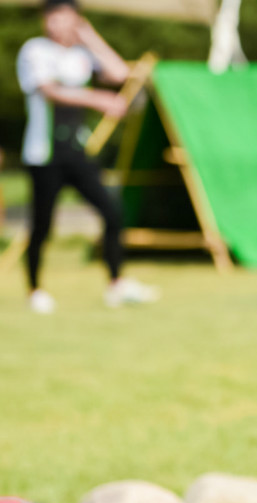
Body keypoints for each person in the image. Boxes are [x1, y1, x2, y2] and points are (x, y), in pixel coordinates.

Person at [16, 0, 158, 314]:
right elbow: (49, 89)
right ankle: (35, 289)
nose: (57, 24)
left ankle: (116, 284)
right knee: (42, 226)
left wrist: (89, 36)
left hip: (78, 152)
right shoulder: (35, 50)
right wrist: (97, 98)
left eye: (65, 18)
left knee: (112, 211)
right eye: (52, 18)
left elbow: (121, 73)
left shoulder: (81, 55)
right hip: (44, 154)